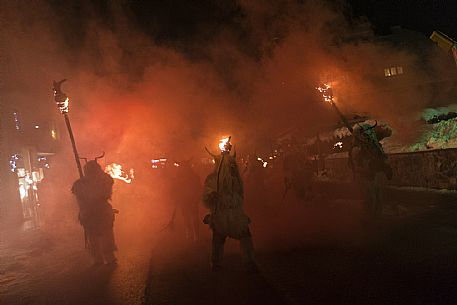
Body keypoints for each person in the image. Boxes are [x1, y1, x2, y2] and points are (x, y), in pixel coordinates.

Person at [202, 141, 257, 272]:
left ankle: (249, 262)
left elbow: (240, 194)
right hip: (221, 214)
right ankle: (216, 264)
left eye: (233, 164)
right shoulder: (212, 178)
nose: (231, 167)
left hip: (236, 214)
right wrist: (211, 196)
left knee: (246, 237)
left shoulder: (237, 179)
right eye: (229, 165)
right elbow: (207, 193)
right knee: (218, 240)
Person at [72, 160, 117, 266]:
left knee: (101, 236)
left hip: (96, 212)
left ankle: (104, 258)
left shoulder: (84, 183)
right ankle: (101, 259)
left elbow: (108, 184)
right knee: (97, 237)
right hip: (94, 212)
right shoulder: (80, 184)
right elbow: (81, 199)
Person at [349, 121, 392, 217]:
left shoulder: (373, 146)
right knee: (370, 199)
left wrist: (384, 167)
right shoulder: (356, 149)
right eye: (367, 133)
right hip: (365, 178)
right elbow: (357, 166)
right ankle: (369, 219)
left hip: (374, 176)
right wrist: (368, 169)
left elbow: (381, 158)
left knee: (378, 197)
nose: (370, 135)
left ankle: (376, 217)